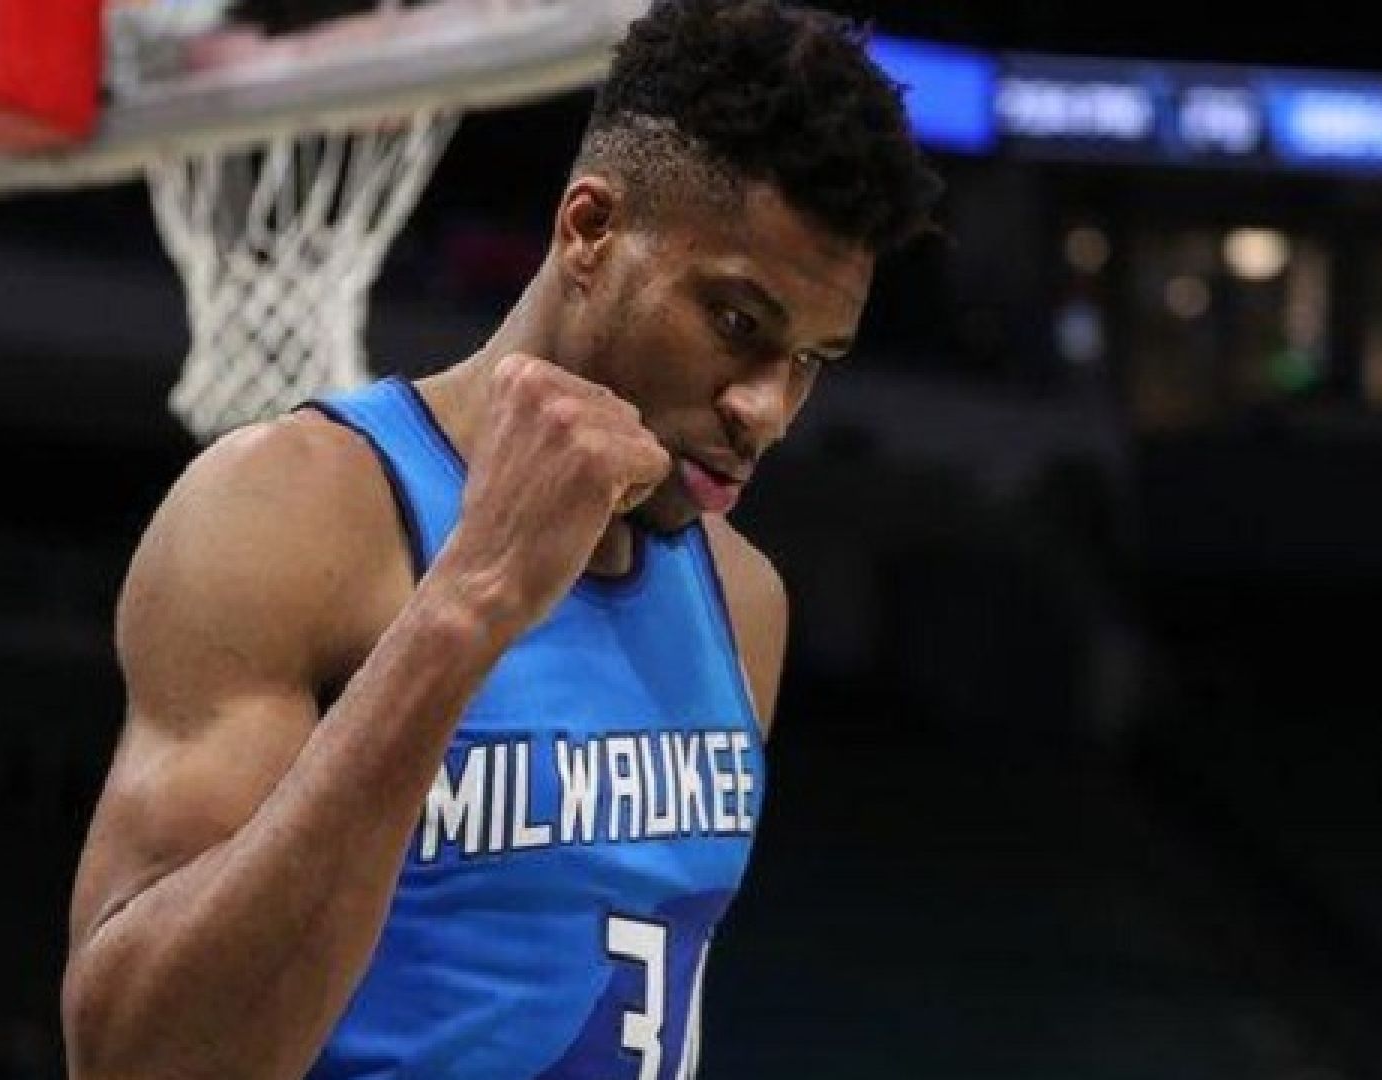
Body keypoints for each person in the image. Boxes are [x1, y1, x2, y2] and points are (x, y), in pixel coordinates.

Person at [61, 0, 941, 1075]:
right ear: (589, 230)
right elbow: (135, 1058)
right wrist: (468, 602)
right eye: (737, 323)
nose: (769, 410)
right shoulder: (292, 510)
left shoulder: (744, 600)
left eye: (812, 360)